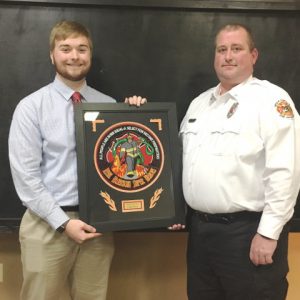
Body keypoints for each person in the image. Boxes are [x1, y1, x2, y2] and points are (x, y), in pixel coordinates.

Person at [8, 20, 146, 300]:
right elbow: (26, 179)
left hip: (98, 224)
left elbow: (123, 163)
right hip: (46, 224)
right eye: (66, 48)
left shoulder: (109, 106)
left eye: (82, 49)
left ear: (90, 55)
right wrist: (63, 222)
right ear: (52, 54)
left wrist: (137, 117)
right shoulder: (31, 107)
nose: (74, 56)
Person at [178, 23, 300, 299]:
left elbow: (286, 171)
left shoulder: (271, 100)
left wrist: (268, 234)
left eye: (237, 49)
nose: (228, 56)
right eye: (222, 50)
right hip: (201, 234)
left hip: (247, 233)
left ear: (253, 55)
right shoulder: (199, 104)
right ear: (215, 56)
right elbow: (181, 164)